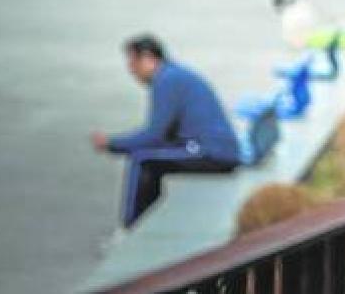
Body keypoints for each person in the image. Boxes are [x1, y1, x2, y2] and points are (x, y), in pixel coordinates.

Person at [91, 35, 240, 228]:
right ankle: (149, 222)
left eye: (133, 63)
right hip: (213, 148)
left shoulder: (166, 80)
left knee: (143, 159)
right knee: (155, 159)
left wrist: (112, 143)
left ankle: (131, 226)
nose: (131, 71)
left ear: (147, 58)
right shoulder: (175, 75)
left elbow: (154, 134)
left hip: (210, 151)